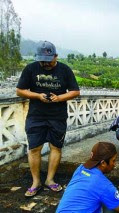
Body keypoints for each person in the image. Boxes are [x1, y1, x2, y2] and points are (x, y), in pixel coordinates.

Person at [16, 41, 80, 197]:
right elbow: (19, 91)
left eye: (48, 60)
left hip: (57, 116)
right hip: (36, 115)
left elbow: (75, 91)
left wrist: (59, 98)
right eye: (42, 60)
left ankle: (49, 180)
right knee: (34, 148)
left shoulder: (64, 70)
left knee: (55, 147)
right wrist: (37, 95)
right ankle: (36, 182)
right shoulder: (31, 68)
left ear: (55, 56)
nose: (45, 64)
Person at [56, 142, 119, 213]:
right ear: (103, 163)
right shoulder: (103, 184)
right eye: (113, 160)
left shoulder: (80, 169)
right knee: (115, 206)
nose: (114, 164)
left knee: (109, 201)